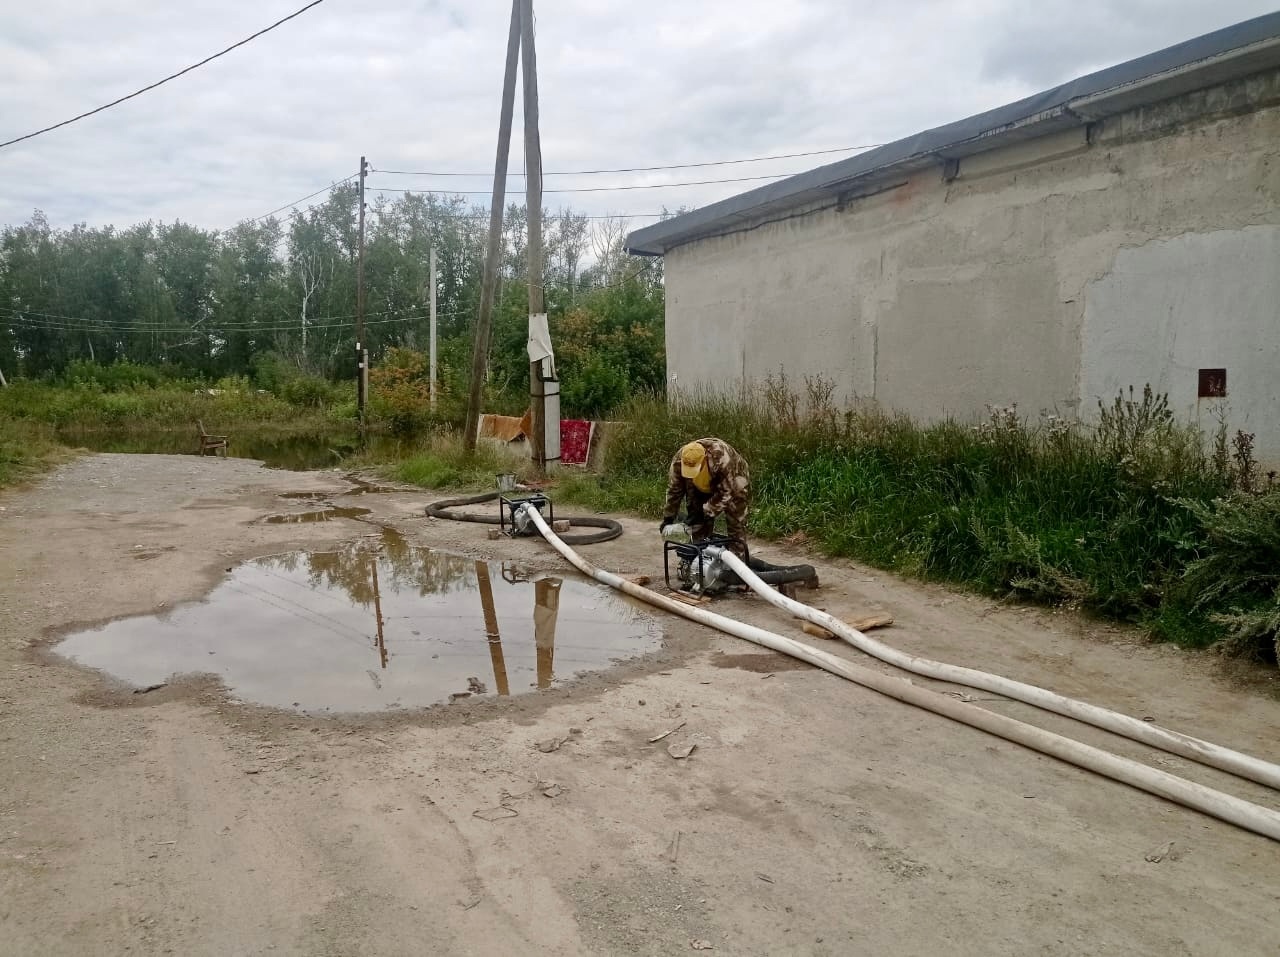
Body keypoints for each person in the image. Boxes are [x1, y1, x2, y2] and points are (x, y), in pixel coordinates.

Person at [659, 437, 750, 541]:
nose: (690, 473)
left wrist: (707, 510)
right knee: (696, 523)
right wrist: (668, 517)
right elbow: (674, 490)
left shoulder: (722, 459)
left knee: (736, 524)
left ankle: (737, 553)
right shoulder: (680, 459)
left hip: (733, 480)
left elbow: (727, 493)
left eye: (693, 468)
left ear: (704, 458)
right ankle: (698, 552)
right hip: (702, 481)